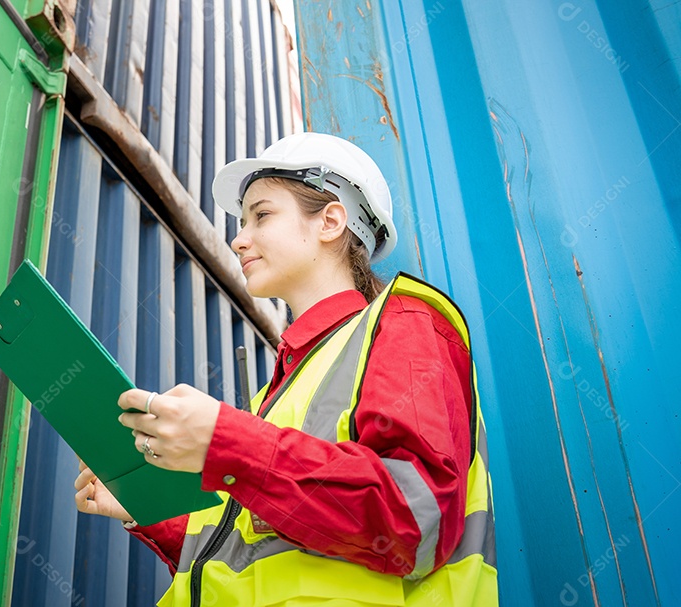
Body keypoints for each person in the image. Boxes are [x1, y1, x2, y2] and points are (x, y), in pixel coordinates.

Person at [74, 132, 498, 606]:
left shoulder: (405, 322)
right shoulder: (275, 395)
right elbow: (255, 557)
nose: (238, 238)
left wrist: (227, 443)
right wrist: (149, 510)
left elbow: (415, 524)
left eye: (262, 215)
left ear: (331, 221)